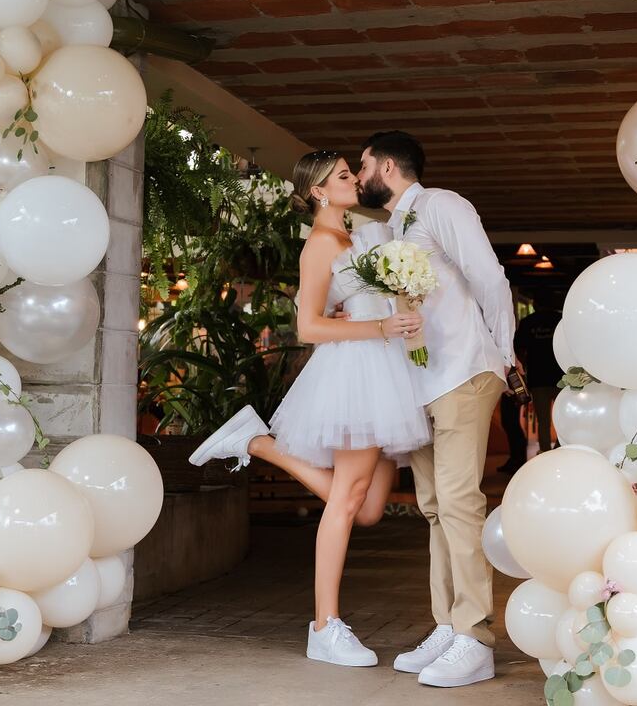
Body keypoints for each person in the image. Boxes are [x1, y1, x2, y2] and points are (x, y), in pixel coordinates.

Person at [188, 150, 432, 669]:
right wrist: (381, 327)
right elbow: (308, 328)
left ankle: (255, 443)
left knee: (366, 509)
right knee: (346, 502)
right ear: (319, 191)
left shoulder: (355, 237)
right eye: (344, 175)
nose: (355, 179)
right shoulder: (322, 243)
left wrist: (397, 311)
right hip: (356, 373)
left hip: (385, 369)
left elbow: (350, 305)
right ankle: (325, 626)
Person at [356, 130, 516, 688]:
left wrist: (504, 349)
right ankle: (447, 625)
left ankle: (476, 637)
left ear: (389, 167)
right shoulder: (394, 227)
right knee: (432, 506)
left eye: (364, 164)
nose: (358, 174)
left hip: (462, 371)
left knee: (458, 501)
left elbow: (489, 278)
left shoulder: (441, 204)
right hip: (420, 382)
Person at [514, 296, 562, 454]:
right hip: (560, 377)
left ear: (535, 304)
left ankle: (546, 451)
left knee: (543, 421)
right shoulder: (560, 319)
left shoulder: (528, 322)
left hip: (537, 377)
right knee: (564, 418)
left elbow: (519, 349)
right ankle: (561, 448)